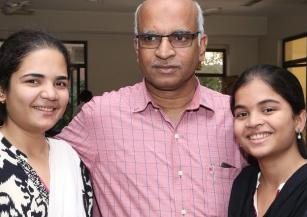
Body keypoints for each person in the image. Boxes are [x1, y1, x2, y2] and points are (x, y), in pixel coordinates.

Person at [57, 0, 245, 216]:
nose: (164, 52)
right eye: (150, 38)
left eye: (180, 37)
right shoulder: (99, 116)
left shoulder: (235, 116)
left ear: (201, 47)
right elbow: (38, 160)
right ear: (137, 47)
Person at [0, 30, 93, 217]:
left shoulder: (71, 158)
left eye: (60, 84)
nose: (50, 94)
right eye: (33, 81)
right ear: (3, 90)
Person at [228, 64, 307, 217]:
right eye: (242, 114)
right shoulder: (244, 183)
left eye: (268, 110)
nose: (253, 122)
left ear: (299, 120)